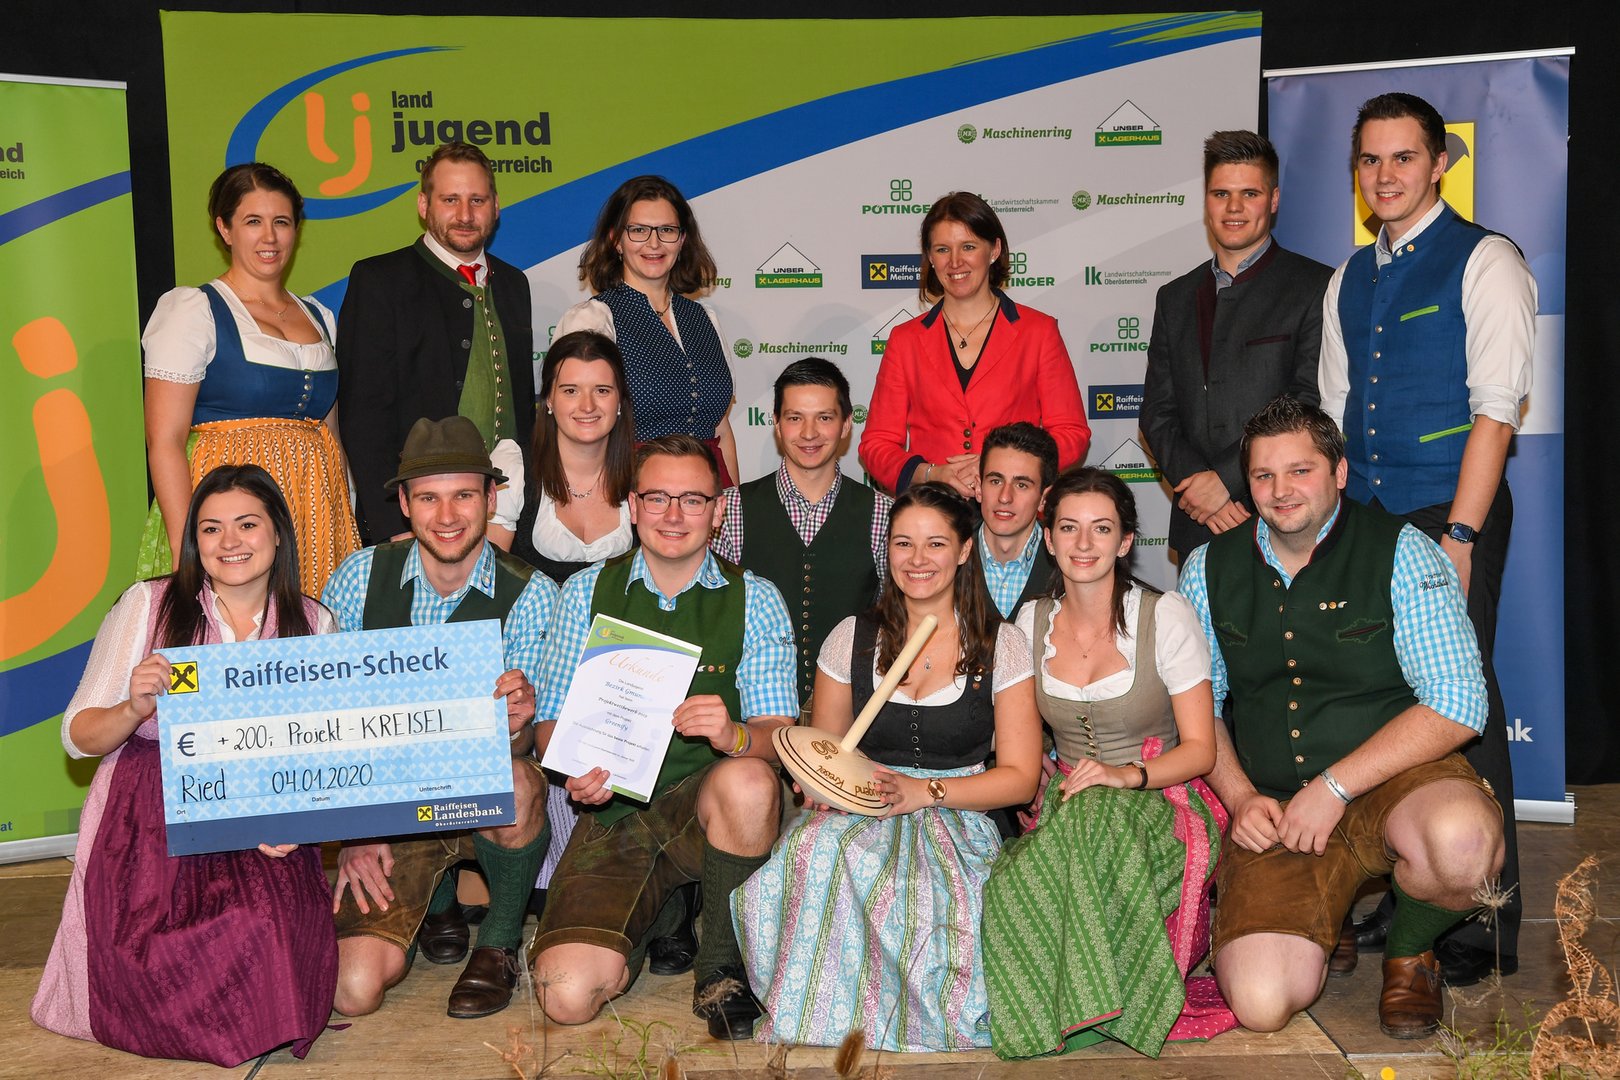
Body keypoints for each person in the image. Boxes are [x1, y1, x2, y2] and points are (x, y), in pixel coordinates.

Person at [1179, 397, 1504, 1040]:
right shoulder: (1205, 568)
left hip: (1398, 787)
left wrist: (1333, 787)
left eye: (1300, 471)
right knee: (1262, 1004)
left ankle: (1411, 951)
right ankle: (1325, 923)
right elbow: (1198, 710)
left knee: (1462, 845)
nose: (1281, 491)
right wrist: (1239, 799)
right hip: (1275, 804)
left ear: (1340, 473)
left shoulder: (1405, 551)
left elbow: (1460, 702)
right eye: (1264, 475)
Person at [1318, 93, 1534, 985]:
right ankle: (1402, 887)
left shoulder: (1486, 259)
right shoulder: (1346, 277)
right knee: (1382, 706)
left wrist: (1461, 535)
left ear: (1439, 163)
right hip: (1367, 518)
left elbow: (1497, 413)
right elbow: (1334, 414)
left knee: (1461, 706)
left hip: (1448, 511)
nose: (1385, 175)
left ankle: (1482, 922)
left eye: (1403, 157)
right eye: (1370, 160)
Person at [33, 464, 336, 1066]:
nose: (229, 543)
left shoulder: (313, 621)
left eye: (247, 524)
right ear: (194, 540)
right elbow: (77, 737)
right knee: (165, 950)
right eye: (211, 528)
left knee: (273, 930)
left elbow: (322, 751)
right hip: (150, 814)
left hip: (262, 807)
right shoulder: (148, 605)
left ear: (278, 533)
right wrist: (133, 707)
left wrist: (296, 822)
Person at [733, 482, 1041, 1052]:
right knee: (813, 852)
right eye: (903, 543)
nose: (917, 559)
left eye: (935, 544)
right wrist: (819, 784)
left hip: (958, 812)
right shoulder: (852, 638)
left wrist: (925, 792)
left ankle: (916, 1020)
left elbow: (1021, 779)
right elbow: (827, 751)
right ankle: (820, 1013)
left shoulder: (1003, 645)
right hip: (861, 807)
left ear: (964, 550)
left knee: (924, 889)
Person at [529, 435, 798, 1041]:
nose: (673, 515)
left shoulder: (756, 598)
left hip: (707, 808)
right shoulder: (584, 592)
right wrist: (571, 770)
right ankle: (660, 910)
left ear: (718, 510)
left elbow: (779, 735)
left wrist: (734, 735)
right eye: (657, 498)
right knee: (564, 995)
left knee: (750, 779)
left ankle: (723, 967)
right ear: (632, 505)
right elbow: (548, 725)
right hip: (613, 812)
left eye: (693, 500)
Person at [981, 467, 1232, 1059]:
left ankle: (1103, 1005)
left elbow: (1202, 750)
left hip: (1161, 798)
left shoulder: (1165, 616)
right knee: (1011, 880)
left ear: (1125, 542)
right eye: (1069, 528)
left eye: (1101, 528)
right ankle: (1052, 1011)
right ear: (1048, 539)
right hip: (1071, 804)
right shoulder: (1029, 623)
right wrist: (1039, 769)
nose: (1084, 543)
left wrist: (1126, 775)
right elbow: (1017, 735)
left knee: (1098, 816)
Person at [323, 416, 555, 1022]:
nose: (447, 515)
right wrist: (356, 830)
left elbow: (524, 747)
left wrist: (518, 721)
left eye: (464, 495)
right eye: (428, 497)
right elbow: (328, 720)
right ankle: (439, 900)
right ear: (404, 503)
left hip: (478, 789)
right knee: (352, 989)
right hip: (388, 805)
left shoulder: (533, 593)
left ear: (491, 498)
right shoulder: (357, 578)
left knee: (520, 782)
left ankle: (499, 941)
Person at [139, 162, 359, 597]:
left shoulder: (319, 316)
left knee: (312, 627)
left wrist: (344, 512)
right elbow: (164, 441)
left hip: (314, 508)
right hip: (230, 513)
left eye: (282, 222)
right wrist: (189, 547)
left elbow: (330, 432)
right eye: (253, 221)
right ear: (225, 229)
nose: (269, 237)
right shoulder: (194, 311)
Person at [1140, 130, 1333, 561]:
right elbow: (1157, 412)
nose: (1234, 208)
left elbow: (1308, 401)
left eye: (1250, 193)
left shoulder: (1316, 286)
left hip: (1287, 518)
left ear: (1274, 199)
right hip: (1198, 525)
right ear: (1206, 200)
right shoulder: (1174, 297)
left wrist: (1226, 481)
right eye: (1221, 194)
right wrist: (1198, 485)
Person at [337, 141, 535, 547]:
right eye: (450, 200)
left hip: (506, 517)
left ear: (496, 206)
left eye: (477, 200)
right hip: (419, 520)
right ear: (424, 205)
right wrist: (393, 524)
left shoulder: (515, 284)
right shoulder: (380, 281)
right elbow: (363, 416)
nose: (465, 215)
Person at [858, 191, 1089, 497]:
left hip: (1014, 506)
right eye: (942, 249)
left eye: (968, 246)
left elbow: (1072, 433)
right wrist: (932, 473)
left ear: (994, 250)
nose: (955, 262)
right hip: (933, 509)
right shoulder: (905, 340)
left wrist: (1001, 466)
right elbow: (876, 445)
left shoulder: (1038, 332)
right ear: (930, 257)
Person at [711, 356, 892, 718]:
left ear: (846, 424)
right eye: (795, 418)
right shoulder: (730, 509)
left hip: (853, 715)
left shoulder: (884, 513)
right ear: (776, 423)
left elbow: (896, 618)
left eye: (824, 418)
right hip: (754, 710)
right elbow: (716, 617)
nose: (809, 433)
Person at [556, 175, 740, 486]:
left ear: (682, 240)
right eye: (639, 230)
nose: (654, 243)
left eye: (666, 230)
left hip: (710, 492)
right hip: (632, 489)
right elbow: (574, 429)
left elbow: (721, 428)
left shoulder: (704, 318)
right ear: (616, 240)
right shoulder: (593, 319)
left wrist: (735, 503)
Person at [513, 329, 637, 585]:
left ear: (619, 401)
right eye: (571, 391)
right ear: (549, 399)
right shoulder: (515, 469)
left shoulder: (645, 476)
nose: (587, 406)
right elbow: (490, 585)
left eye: (602, 390)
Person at [975, 422, 1058, 620]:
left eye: (1021, 485)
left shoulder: (1066, 561)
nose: (1005, 497)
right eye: (995, 481)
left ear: (1044, 498)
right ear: (978, 488)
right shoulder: (948, 558)